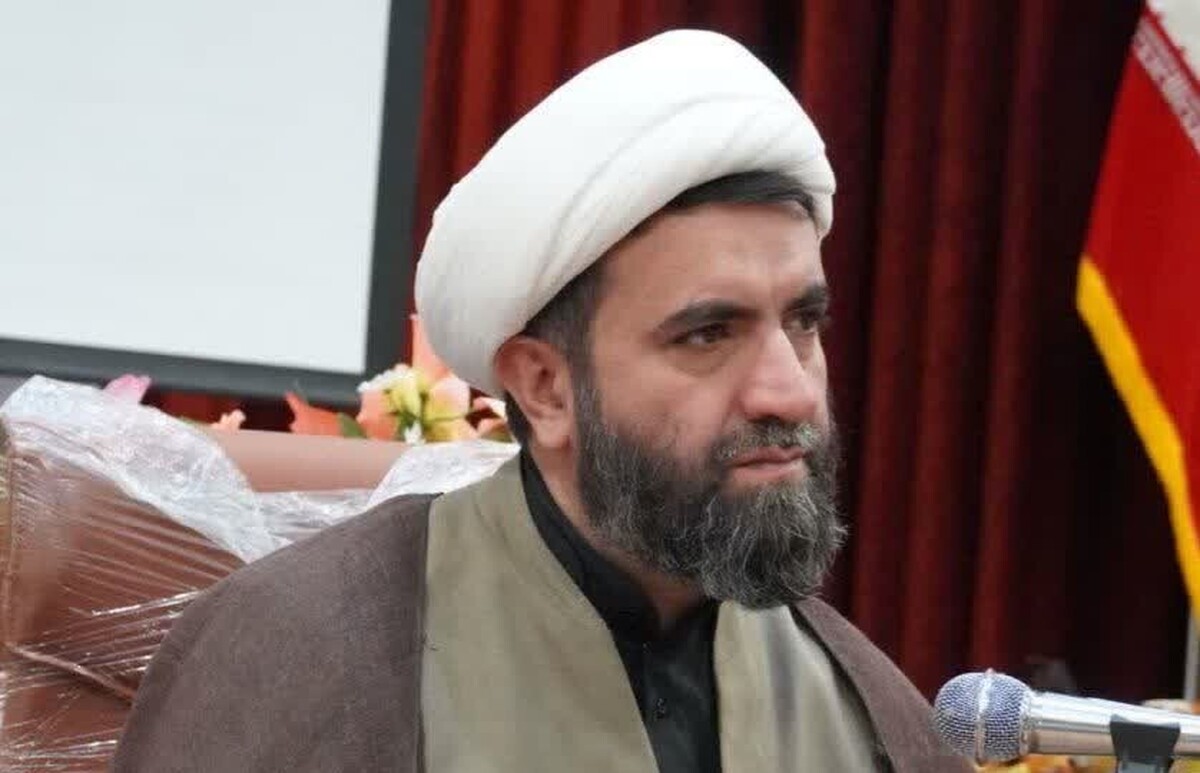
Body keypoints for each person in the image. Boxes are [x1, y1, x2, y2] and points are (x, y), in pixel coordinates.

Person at [112, 30, 971, 772]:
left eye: (804, 321)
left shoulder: (857, 702)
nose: (789, 388)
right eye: (709, 333)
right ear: (544, 387)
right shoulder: (305, 653)